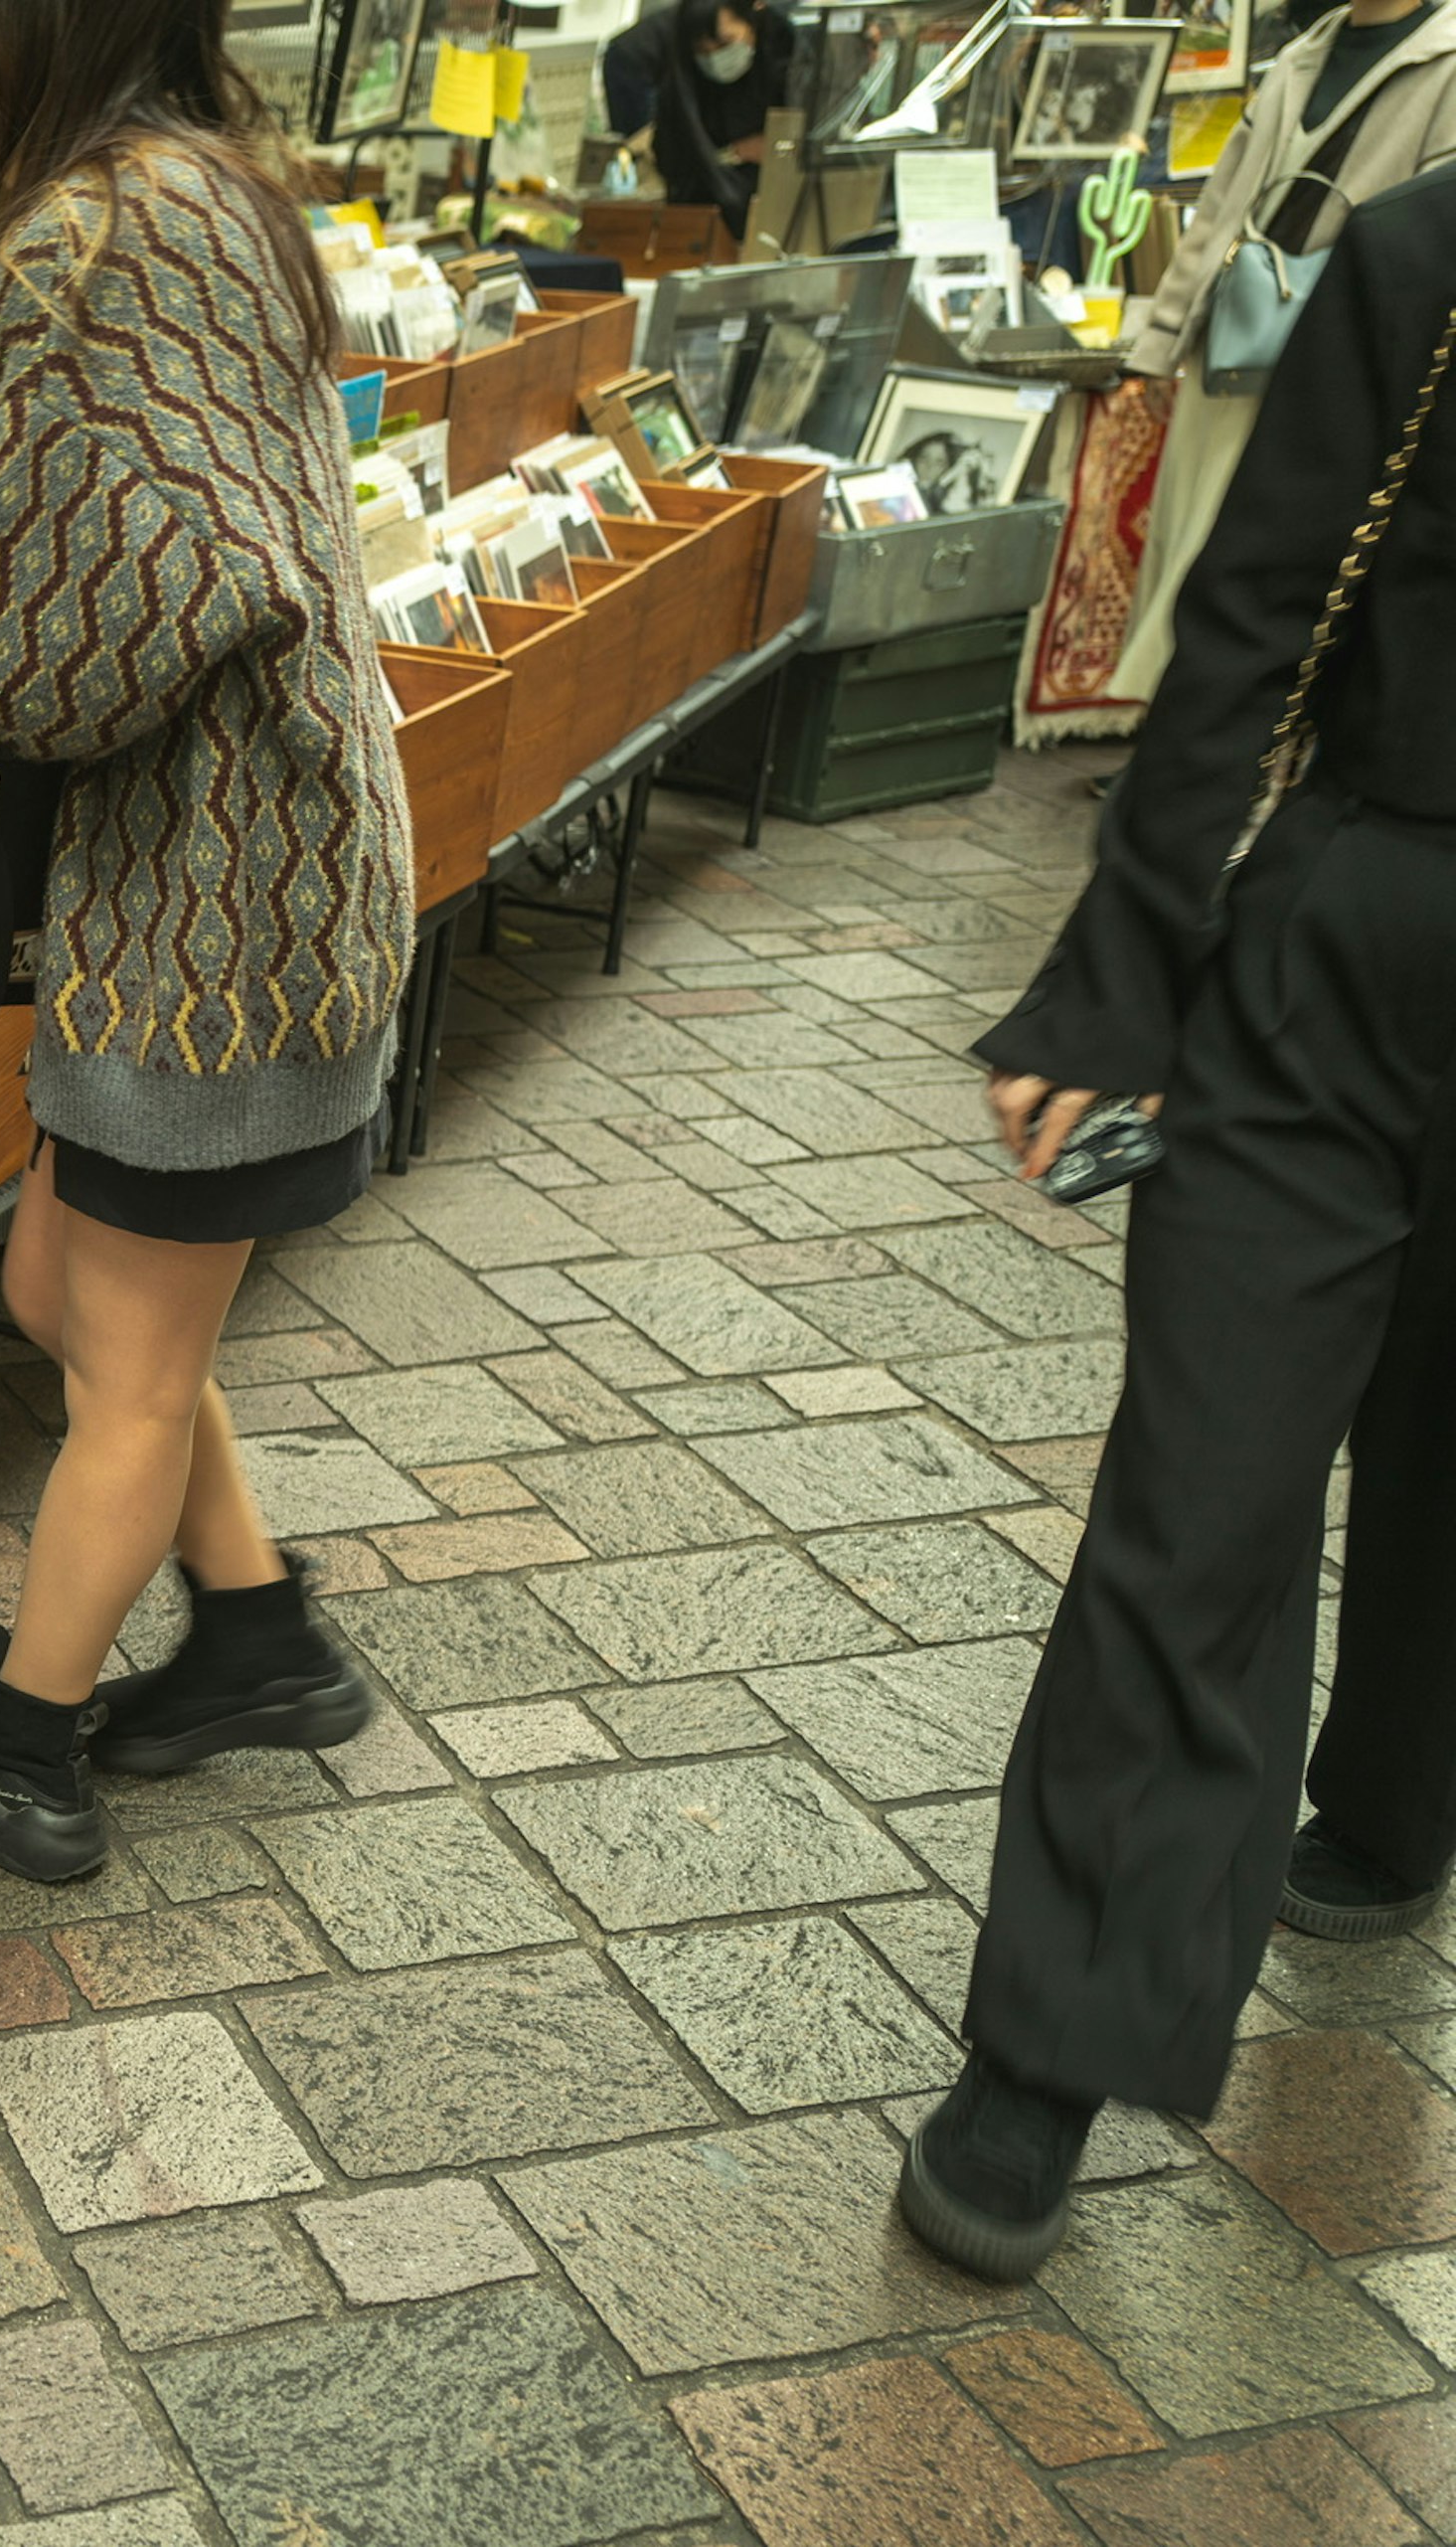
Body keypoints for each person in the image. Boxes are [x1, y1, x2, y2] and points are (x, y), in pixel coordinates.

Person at [895, 164, 1456, 2283]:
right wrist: (1122, 978)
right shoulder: (1426, 256)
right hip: (1344, 939)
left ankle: (1398, 1806)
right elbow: (1259, 608)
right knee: (1205, 1480)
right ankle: (1050, 2044)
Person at [0, 0, 416, 1882]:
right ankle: (255, 1637)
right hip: (246, 871)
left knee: (128, 1357)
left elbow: (61, 660)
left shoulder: (94, 234)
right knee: (61, 1296)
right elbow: (122, 577)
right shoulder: (167, 189)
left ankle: (21, 1753)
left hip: (218, 901)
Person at [1109, 0, 1456, 697]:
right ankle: (1169, 731)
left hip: (1340, 363)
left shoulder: (1446, 61)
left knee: (1268, 565)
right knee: (1191, 546)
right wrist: (1161, 341)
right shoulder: (1306, 52)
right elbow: (1219, 206)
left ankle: (1237, 742)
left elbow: (1433, 238)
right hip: (1231, 342)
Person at [600, 0, 797, 223]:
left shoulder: (786, 47)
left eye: (725, 43)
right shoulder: (678, 78)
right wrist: (731, 154)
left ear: (752, 22)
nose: (714, 57)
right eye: (703, 50)